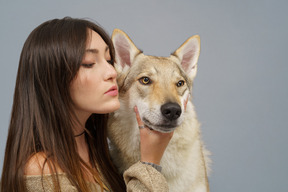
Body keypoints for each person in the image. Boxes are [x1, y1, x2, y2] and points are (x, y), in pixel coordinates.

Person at [0, 17, 173, 192]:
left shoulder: (99, 155)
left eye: (108, 59)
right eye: (89, 63)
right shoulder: (42, 170)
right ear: (53, 79)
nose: (112, 72)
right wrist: (150, 163)